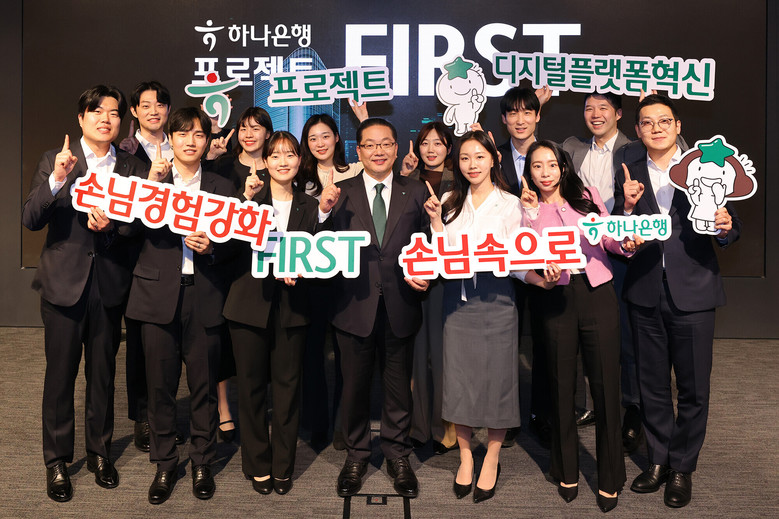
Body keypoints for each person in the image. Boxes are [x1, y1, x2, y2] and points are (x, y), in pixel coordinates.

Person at [613, 94, 741, 508]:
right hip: (645, 290)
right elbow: (618, 229)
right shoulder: (629, 169)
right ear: (637, 130)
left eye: (664, 121)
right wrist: (626, 209)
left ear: (678, 125)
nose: (656, 128)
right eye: (647, 122)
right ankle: (658, 460)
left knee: (693, 387)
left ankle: (683, 466)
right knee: (651, 385)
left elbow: (730, 226)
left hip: (694, 291)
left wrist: (724, 226)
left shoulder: (706, 165)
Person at [22, 85, 147, 502]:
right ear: (81, 118)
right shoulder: (57, 160)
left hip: (109, 285)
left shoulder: (131, 167)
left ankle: (99, 453)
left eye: (113, 113)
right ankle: (57, 461)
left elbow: (139, 226)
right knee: (60, 377)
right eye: (96, 111)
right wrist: (58, 178)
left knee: (103, 374)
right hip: (64, 285)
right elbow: (31, 218)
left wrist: (114, 226)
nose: (105, 119)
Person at [424, 131, 560, 503]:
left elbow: (519, 261)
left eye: (479, 157)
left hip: (499, 300)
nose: (472, 165)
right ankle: (466, 456)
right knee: (460, 380)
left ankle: (493, 456)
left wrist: (542, 281)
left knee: (499, 380)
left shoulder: (513, 203)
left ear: (493, 159)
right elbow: (440, 258)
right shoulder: (449, 201)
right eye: (465, 158)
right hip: (458, 302)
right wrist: (436, 222)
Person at [122, 107, 236, 505]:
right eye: (182, 134)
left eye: (199, 134)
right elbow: (126, 229)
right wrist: (150, 185)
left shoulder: (222, 186)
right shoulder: (149, 179)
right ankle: (165, 463)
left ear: (207, 141)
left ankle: (202, 461)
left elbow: (238, 245)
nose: (191, 141)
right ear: (169, 139)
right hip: (156, 297)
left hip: (204, 295)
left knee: (204, 387)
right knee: (159, 387)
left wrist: (214, 248)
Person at [520, 140, 639, 513]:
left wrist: (627, 242)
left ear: (563, 167)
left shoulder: (586, 197)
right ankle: (565, 469)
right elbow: (523, 253)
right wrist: (532, 216)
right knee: (560, 386)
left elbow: (609, 240)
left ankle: (610, 477)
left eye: (551, 165)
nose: (545, 172)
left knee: (605, 385)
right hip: (555, 296)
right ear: (529, 171)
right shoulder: (526, 207)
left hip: (597, 293)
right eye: (537, 166)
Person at [223, 131, 338, 495]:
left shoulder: (311, 205)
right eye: (275, 155)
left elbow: (324, 254)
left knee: (288, 391)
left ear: (299, 161)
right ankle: (258, 463)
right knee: (251, 389)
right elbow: (225, 244)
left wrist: (324, 216)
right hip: (248, 305)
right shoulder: (249, 198)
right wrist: (244, 200)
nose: (283, 161)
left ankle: (282, 465)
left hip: (293, 307)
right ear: (265, 161)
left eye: (289, 154)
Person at [330, 118, 430, 499]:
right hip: (352, 306)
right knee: (354, 387)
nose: (378, 151)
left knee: (398, 388)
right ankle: (356, 454)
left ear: (396, 148)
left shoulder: (416, 190)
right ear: (358, 151)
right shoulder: (339, 193)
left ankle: (397, 454)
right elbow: (319, 243)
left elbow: (430, 244)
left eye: (386, 144)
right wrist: (322, 213)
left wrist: (428, 275)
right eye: (370, 145)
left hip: (401, 304)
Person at [562, 93, 640, 444]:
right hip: (586, 255)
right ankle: (590, 405)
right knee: (585, 334)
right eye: (589, 108)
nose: (595, 114)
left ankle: (631, 409)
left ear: (619, 114)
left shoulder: (634, 149)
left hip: (623, 249)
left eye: (603, 108)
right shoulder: (573, 148)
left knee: (625, 336)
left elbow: (676, 151)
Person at [117, 80, 182, 453]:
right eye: (145, 105)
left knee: (171, 348)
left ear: (168, 110)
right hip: (138, 258)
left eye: (160, 104)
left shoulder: (184, 144)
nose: (153, 111)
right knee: (141, 346)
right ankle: (143, 416)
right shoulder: (125, 153)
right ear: (134, 111)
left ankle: (166, 416)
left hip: (179, 257)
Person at [209, 106, 275, 442]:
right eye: (244, 128)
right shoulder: (224, 165)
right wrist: (211, 157)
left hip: (266, 265)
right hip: (228, 262)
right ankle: (223, 408)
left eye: (256, 128)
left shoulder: (279, 164)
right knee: (222, 339)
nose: (249, 134)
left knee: (264, 344)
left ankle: (262, 407)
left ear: (268, 133)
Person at [297, 112, 363, 451]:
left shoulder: (356, 171)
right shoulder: (300, 176)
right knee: (313, 355)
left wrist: (364, 119)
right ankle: (317, 423)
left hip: (346, 276)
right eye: (312, 138)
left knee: (346, 357)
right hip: (309, 277)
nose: (320, 143)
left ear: (337, 138)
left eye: (325, 136)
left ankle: (342, 423)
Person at [495, 86, 553, 448]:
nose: (520, 120)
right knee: (507, 344)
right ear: (503, 119)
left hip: (545, 262)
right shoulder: (493, 156)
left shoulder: (551, 155)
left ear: (537, 116)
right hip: (504, 263)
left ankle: (542, 415)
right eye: (513, 113)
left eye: (527, 112)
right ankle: (508, 416)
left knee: (546, 341)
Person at [403, 122, 458, 454]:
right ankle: (418, 426)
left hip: (446, 280)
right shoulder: (406, 181)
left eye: (438, 143)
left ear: (449, 148)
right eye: (425, 143)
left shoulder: (461, 181)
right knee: (415, 355)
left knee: (442, 356)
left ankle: (445, 430)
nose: (431, 149)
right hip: (411, 277)